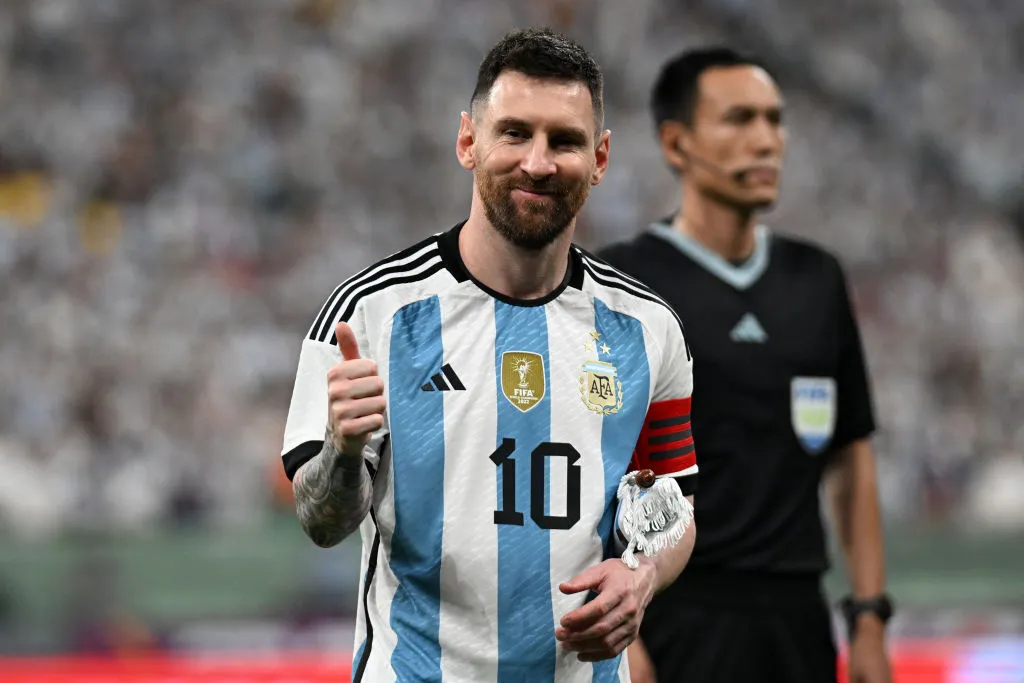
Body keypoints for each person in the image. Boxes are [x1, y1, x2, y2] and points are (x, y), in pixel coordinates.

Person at [280, 28, 699, 682]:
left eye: (564, 139)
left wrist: (642, 574)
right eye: (514, 133)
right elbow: (320, 520)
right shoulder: (371, 315)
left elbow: (671, 501)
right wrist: (340, 446)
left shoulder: (649, 330)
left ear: (601, 157)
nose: (538, 161)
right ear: (468, 141)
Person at [597, 47, 894, 683]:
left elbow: (849, 456)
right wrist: (625, 636)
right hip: (676, 613)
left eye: (774, 119)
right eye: (739, 119)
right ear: (676, 143)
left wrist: (868, 616)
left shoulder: (816, 279)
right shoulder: (624, 282)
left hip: (798, 619)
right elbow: (593, 462)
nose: (766, 140)